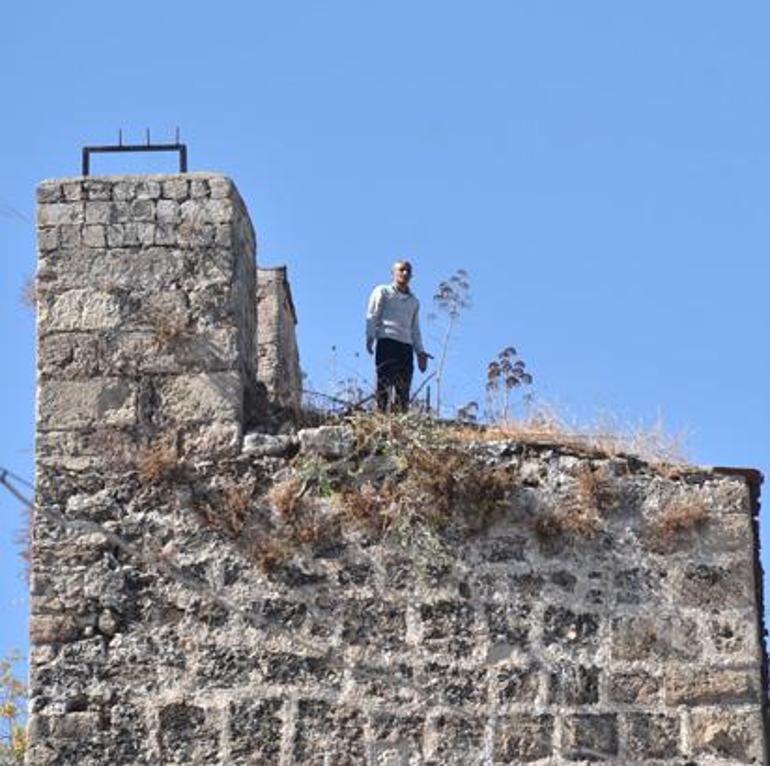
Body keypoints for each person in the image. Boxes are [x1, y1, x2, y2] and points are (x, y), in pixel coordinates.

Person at [366, 260, 430, 412]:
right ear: (393, 273)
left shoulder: (414, 302)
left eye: (408, 271)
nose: (405, 273)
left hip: (406, 346)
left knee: (403, 386)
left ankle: (400, 418)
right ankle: (381, 416)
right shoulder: (383, 292)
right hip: (387, 341)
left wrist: (420, 351)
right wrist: (370, 337)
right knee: (384, 382)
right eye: (401, 270)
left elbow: (415, 329)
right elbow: (372, 314)